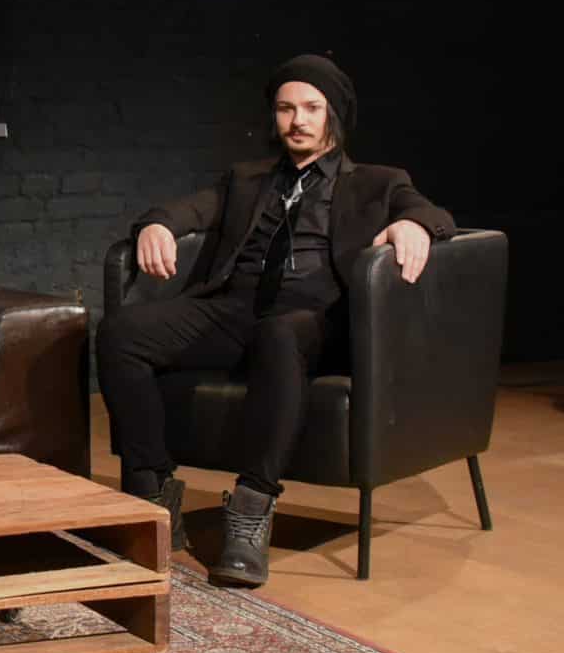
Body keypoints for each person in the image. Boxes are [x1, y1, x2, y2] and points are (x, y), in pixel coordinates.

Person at [96, 54, 455, 586]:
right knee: (121, 334)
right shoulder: (248, 178)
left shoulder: (377, 182)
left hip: (314, 317)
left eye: (311, 108)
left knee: (280, 333)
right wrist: (156, 226)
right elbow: (188, 209)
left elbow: (433, 213)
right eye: (286, 109)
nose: (298, 121)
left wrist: (414, 225)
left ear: (334, 115)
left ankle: (252, 507)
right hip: (234, 309)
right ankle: (154, 495)